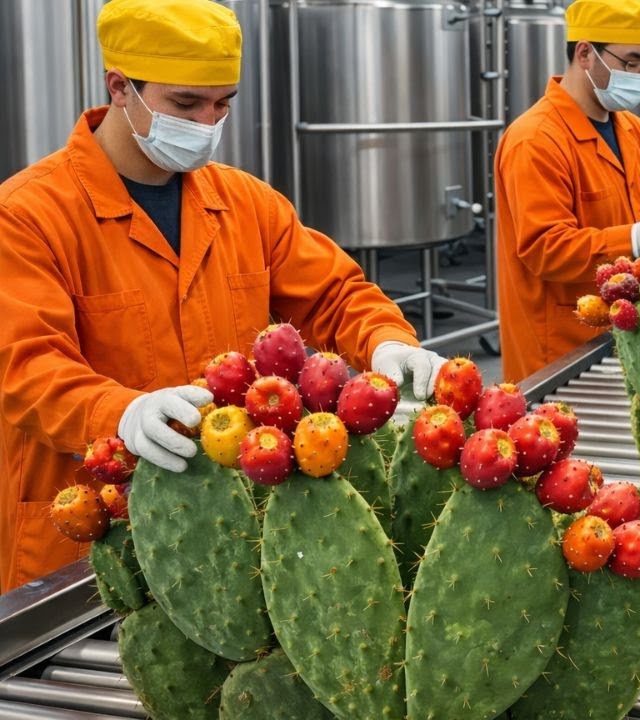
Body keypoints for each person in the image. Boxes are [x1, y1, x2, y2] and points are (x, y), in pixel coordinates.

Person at [0, 0, 445, 592]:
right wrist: (119, 413)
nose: (207, 122)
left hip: (227, 524)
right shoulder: (28, 214)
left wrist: (387, 342)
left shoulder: (245, 203)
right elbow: (25, 366)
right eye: (185, 104)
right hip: (92, 523)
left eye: (222, 104)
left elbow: (335, 293)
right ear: (120, 88)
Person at [495, 0, 640, 382]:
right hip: (563, 347)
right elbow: (545, 248)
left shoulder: (632, 130)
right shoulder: (535, 140)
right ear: (585, 54)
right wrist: (635, 238)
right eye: (631, 62)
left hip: (634, 330)